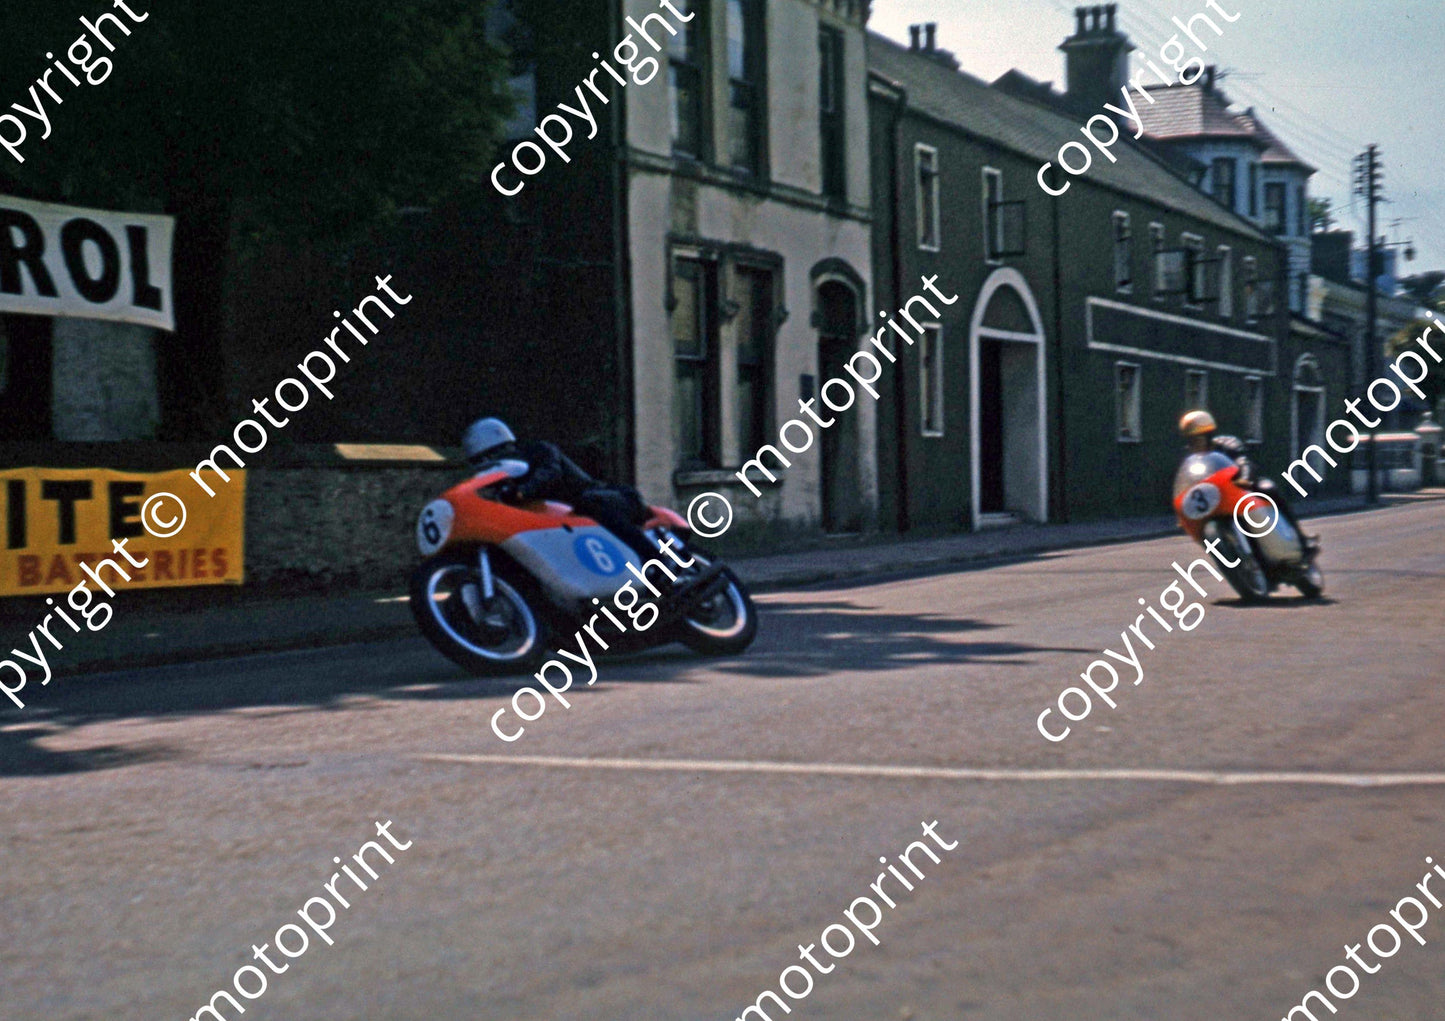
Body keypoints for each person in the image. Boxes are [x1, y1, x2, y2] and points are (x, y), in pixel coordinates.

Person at [460, 416, 722, 602]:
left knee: (589, 503)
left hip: (607, 497)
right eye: (483, 464)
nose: (491, 466)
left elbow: (550, 472)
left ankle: (658, 563)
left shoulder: (537, 451)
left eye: (492, 458)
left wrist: (522, 491)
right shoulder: (504, 487)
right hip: (571, 523)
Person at [1178, 410, 1317, 550]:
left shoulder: (1228, 444)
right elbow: (1187, 484)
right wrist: (1184, 512)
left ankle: (1301, 539)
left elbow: (1243, 462)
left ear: (1208, 437)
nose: (1194, 445)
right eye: (1191, 441)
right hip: (1217, 499)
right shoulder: (1192, 460)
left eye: (1198, 440)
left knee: (1269, 488)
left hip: (1241, 488)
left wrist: (1245, 478)